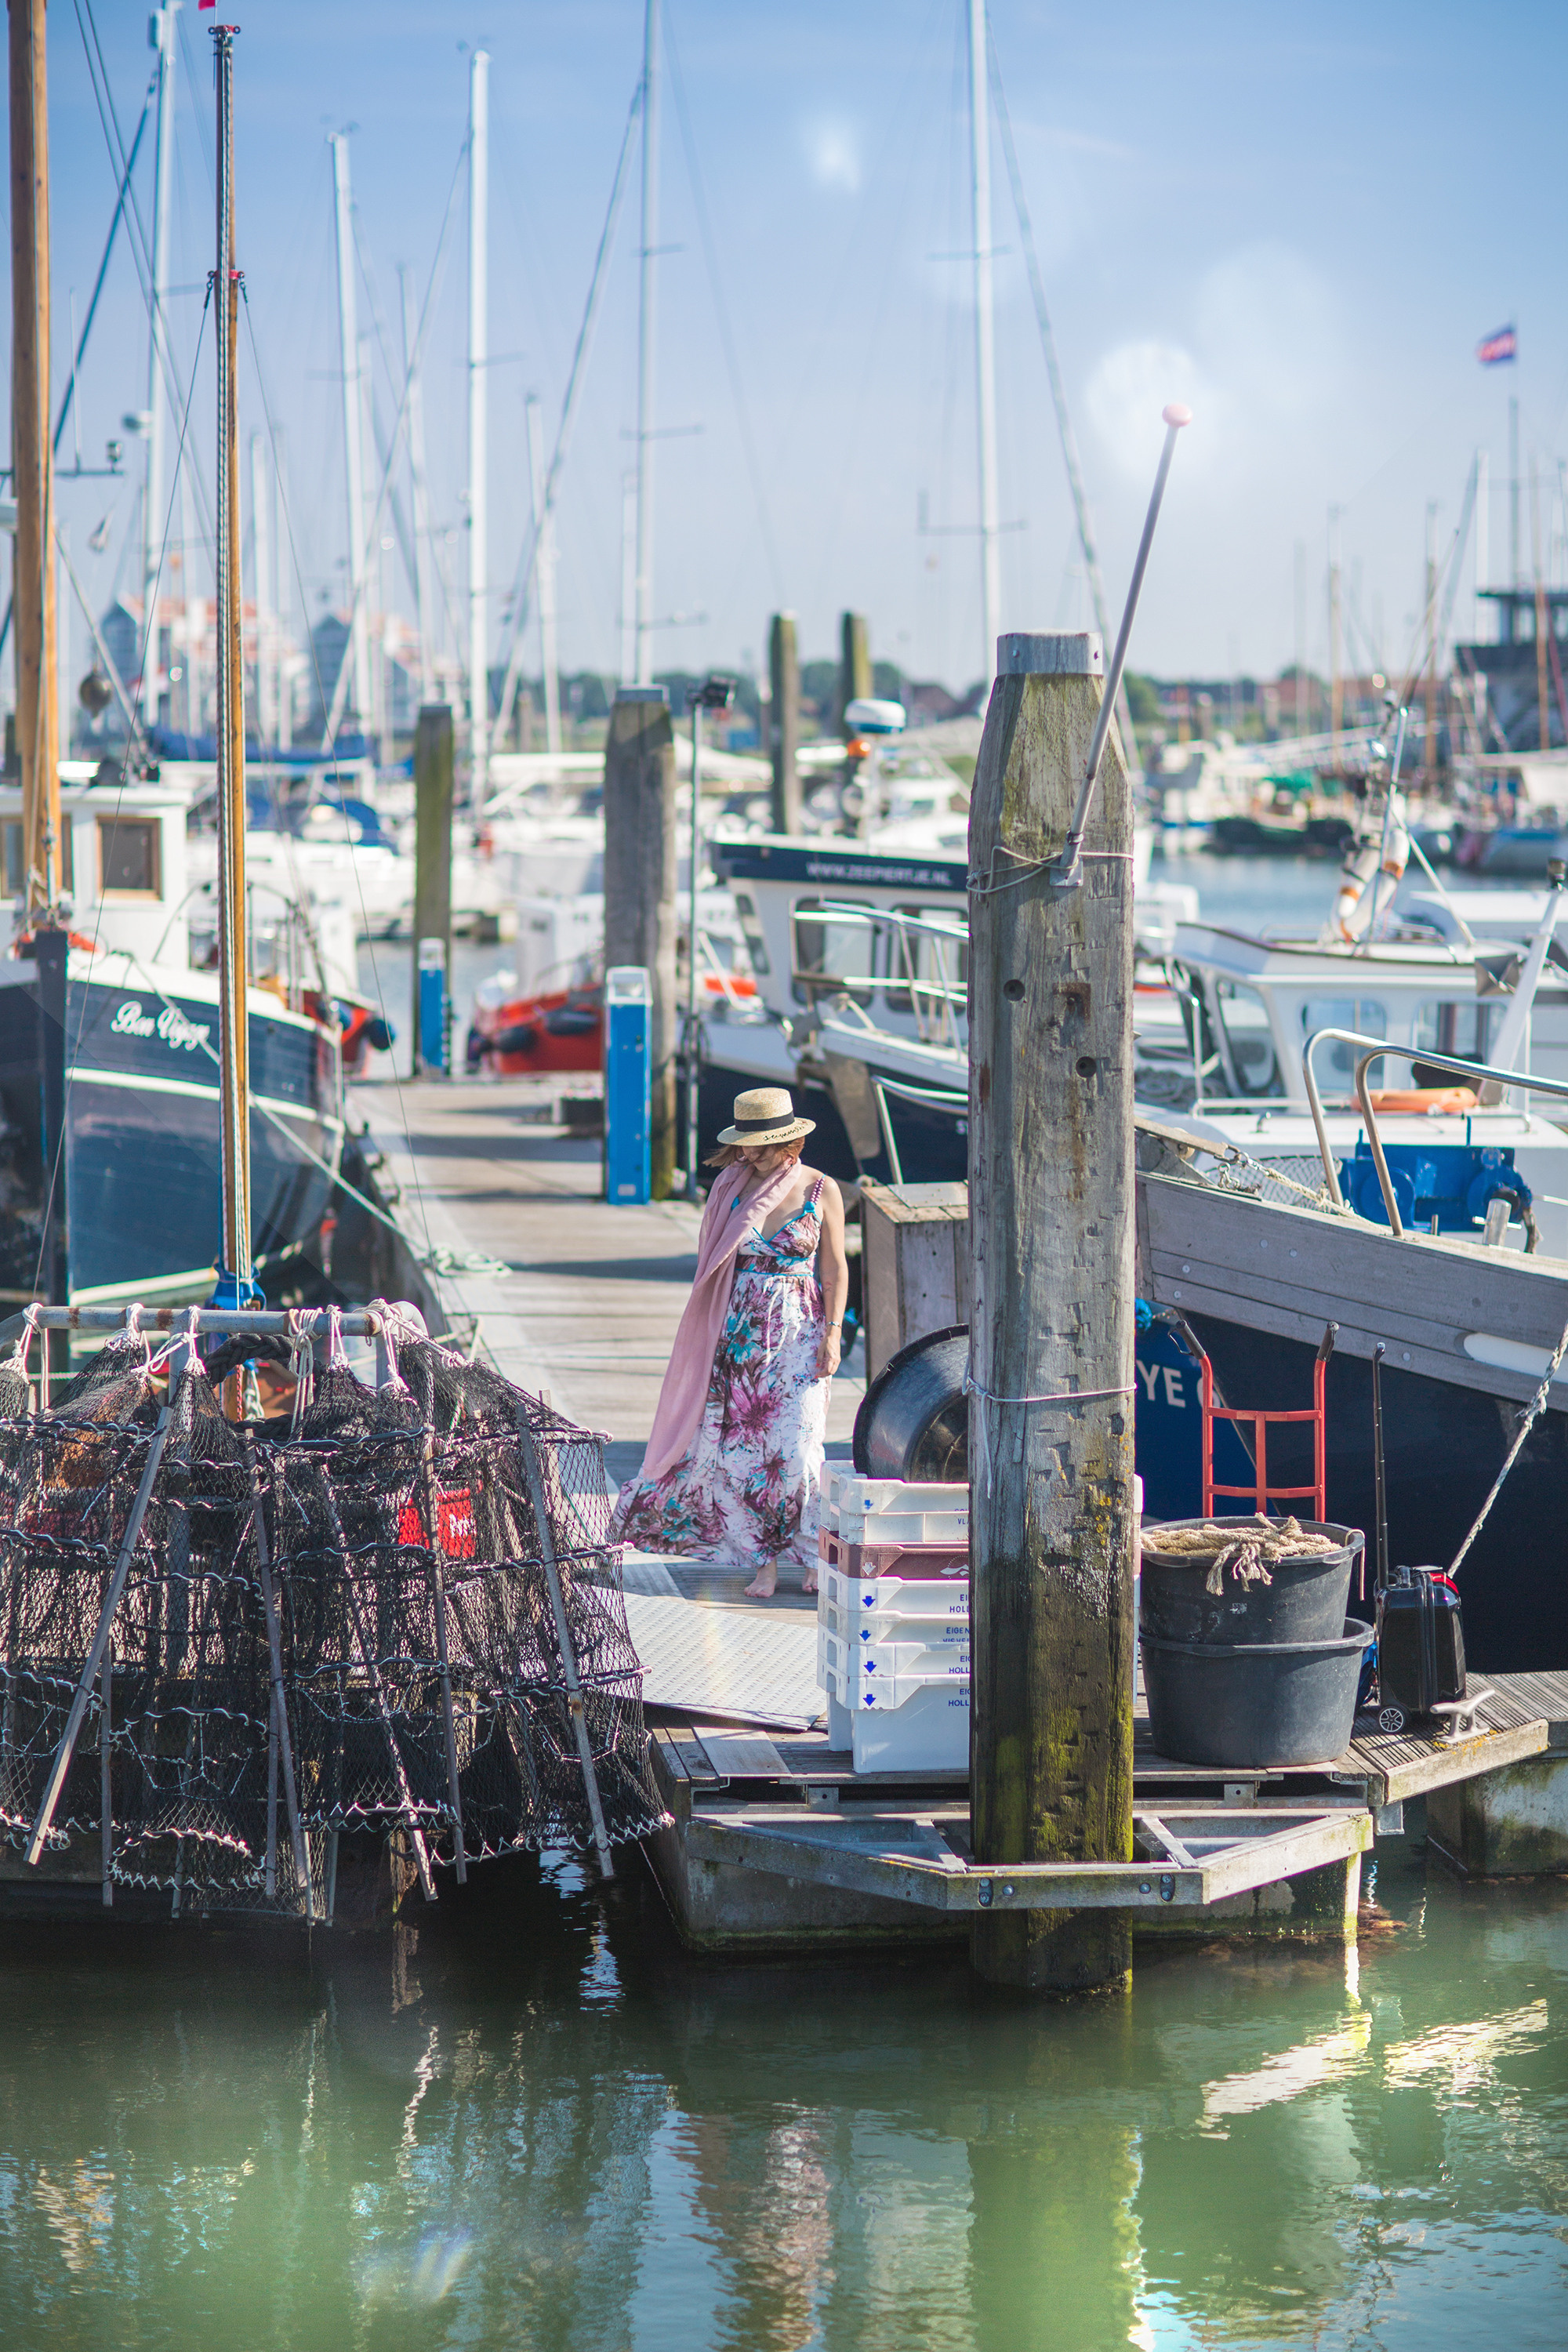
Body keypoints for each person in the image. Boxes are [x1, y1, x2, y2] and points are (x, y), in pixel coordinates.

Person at [610, 1087, 848, 1598]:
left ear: (791, 1144)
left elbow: (834, 1267)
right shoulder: (731, 1188)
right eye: (745, 1143)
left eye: (761, 1144)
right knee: (741, 1455)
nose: (750, 1154)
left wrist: (833, 1335)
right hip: (738, 1335)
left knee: (798, 1449)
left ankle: (809, 1553)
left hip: (798, 1333)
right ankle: (761, 1561)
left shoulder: (820, 1189)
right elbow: (714, 1265)